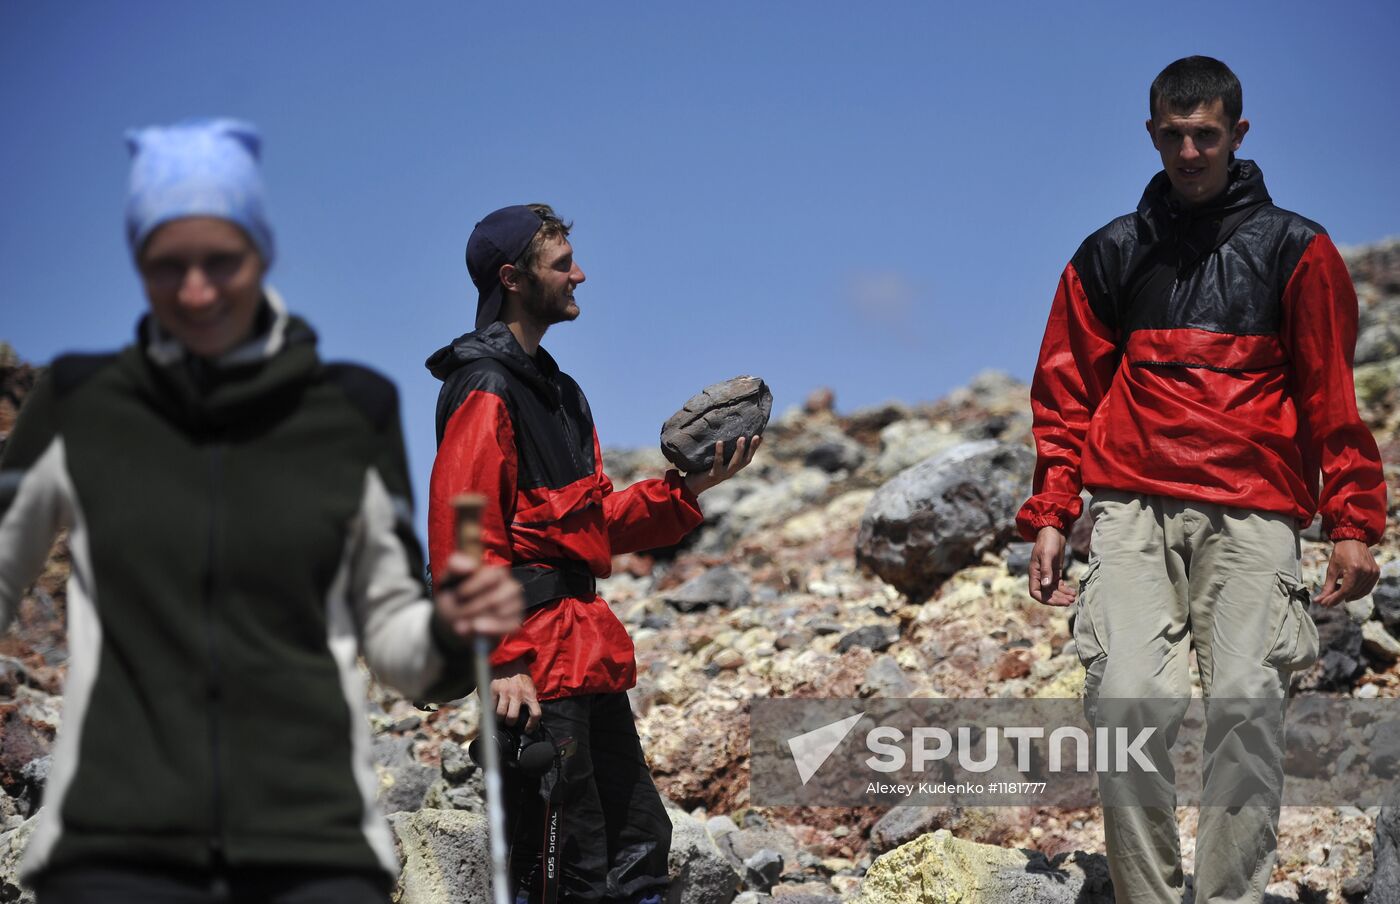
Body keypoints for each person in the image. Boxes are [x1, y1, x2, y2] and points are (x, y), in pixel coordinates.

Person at [0, 119, 523, 904]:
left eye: (222, 260)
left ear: (262, 252)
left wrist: (452, 633)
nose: (198, 289)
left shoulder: (352, 410)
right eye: (167, 263)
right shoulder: (79, 403)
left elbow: (393, 638)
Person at [1017, 57, 1386, 904]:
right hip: (1131, 509)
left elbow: (1331, 392)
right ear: (1151, 133)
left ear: (1238, 135)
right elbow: (1066, 391)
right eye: (1174, 135)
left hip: (1256, 515)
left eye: (1206, 135)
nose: (1190, 151)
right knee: (1125, 707)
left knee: (1246, 717)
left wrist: (1354, 520)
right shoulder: (1108, 253)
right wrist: (1051, 511)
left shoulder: (1299, 249)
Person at [425, 204, 759, 904]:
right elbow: (463, 529)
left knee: (638, 842)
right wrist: (504, 658)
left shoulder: (559, 391)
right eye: (561, 263)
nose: (580, 274)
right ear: (513, 278)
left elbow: (590, 521)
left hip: (583, 655)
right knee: (560, 862)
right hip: (534, 662)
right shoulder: (484, 388)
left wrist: (685, 491)